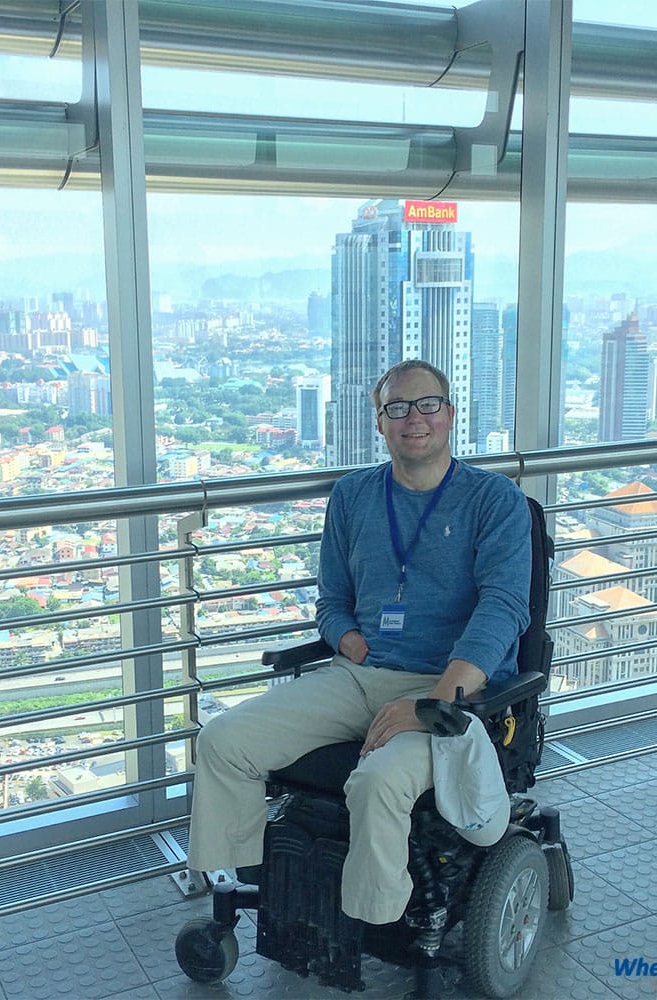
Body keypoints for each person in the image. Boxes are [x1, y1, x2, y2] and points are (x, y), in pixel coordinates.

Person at [186, 359, 532, 925]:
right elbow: (332, 599)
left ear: (448, 415)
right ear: (379, 422)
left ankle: (370, 923)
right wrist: (347, 640)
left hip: (449, 688)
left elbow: (504, 608)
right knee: (225, 739)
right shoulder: (353, 496)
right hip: (360, 674)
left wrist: (439, 699)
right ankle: (253, 887)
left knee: (376, 780)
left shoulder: (494, 500)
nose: (412, 419)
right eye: (396, 408)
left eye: (426, 405)